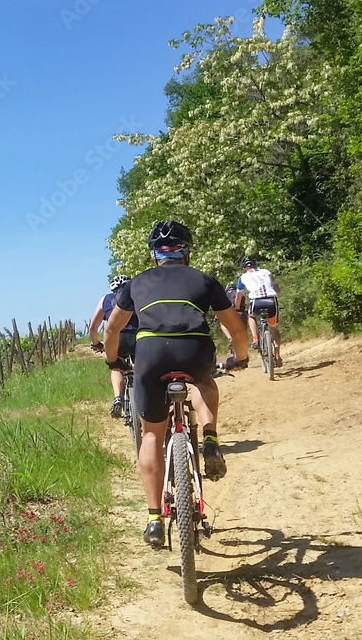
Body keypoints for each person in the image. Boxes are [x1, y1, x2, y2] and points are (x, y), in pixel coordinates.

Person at [103, 221, 249, 548]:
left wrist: (113, 361)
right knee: (204, 382)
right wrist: (241, 357)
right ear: (187, 251)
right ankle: (209, 438)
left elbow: (111, 331)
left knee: (152, 434)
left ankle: (154, 518)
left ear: (154, 255)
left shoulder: (136, 284)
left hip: (151, 354)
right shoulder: (204, 280)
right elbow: (237, 331)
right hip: (194, 349)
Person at [88, 275, 139, 418]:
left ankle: (118, 397)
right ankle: (145, 397)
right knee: (142, 366)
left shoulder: (105, 300)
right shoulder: (137, 297)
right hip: (138, 336)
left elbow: (93, 327)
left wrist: (96, 343)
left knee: (115, 365)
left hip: (116, 337)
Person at [234, 257, 282, 367]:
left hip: (256, 301)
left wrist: (237, 307)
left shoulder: (243, 277)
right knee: (274, 330)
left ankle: (255, 338)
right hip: (271, 300)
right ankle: (278, 355)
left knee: (251, 316)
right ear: (255, 265)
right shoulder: (267, 272)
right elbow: (277, 289)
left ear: (243, 268)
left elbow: (238, 295)